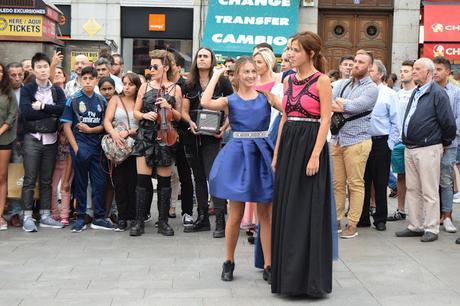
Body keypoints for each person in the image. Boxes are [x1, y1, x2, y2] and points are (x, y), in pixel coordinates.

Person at [200, 57, 277, 283]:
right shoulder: (230, 100)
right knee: (235, 214)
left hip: (262, 152)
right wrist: (217, 74)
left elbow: (290, 109)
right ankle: (229, 261)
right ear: (237, 75)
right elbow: (205, 102)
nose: (251, 75)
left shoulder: (266, 97)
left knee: (265, 215)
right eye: (246, 71)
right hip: (238, 154)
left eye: (254, 71)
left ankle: (269, 265)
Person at [270, 31, 333, 297]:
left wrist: (316, 154)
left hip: (310, 144)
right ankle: (288, 280)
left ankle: (309, 281)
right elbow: (285, 117)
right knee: (287, 209)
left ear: (310, 53)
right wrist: (276, 153)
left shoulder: (323, 81)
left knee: (308, 210)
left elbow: (326, 120)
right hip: (289, 145)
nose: (289, 54)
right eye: (289, 49)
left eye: (295, 49)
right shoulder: (289, 81)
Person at [396, 58, 456, 243]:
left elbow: (448, 123)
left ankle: (431, 228)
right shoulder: (417, 91)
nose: (413, 71)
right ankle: (415, 225)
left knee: (429, 190)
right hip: (411, 147)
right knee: (413, 188)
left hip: (428, 147)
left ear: (428, 73)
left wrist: (443, 142)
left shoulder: (438, 93)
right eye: (413, 68)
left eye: (417, 69)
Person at [181, 48, 233, 238]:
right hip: (193, 135)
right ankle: (202, 218)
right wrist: (190, 122)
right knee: (199, 178)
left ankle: (220, 219)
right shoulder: (188, 83)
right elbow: (184, 110)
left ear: (212, 61)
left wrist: (225, 126)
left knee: (214, 176)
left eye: (206, 56)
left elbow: (231, 107)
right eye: (199, 56)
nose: (202, 59)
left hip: (214, 136)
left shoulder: (223, 82)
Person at [130, 49, 182, 237]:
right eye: (150, 66)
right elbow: (135, 112)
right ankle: (138, 221)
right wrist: (144, 114)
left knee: (164, 182)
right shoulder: (144, 87)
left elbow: (179, 116)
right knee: (142, 181)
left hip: (165, 136)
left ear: (165, 67)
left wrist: (169, 107)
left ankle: (163, 222)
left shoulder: (175, 88)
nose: (151, 69)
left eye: (155, 66)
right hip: (145, 135)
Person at [331, 50, 378, 239]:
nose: (355, 65)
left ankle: (353, 224)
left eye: (360, 62)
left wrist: (342, 103)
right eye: (354, 61)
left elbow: (355, 107)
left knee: (356, 184)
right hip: (337, 140)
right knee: (337, 184)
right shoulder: (342, 84)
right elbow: (328, 103)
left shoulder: (371, 88)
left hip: (358, 141)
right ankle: (336, 220)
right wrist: (342, 103)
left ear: (369, 67)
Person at [60, 66, 113, 233]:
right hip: (80, 146)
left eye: (91, 79)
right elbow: (66, 126)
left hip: (97, 147)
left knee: (99, 182)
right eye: (85, 79)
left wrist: (91, 130)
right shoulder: (73, 99)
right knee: (81, 183)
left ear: (96, 80)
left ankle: (99, 217)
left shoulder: (101, 100)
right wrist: (75, 148)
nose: (88, 82)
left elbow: (104, 125)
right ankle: (81, 217)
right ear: (80, 80)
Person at [20, 52, 66, 232]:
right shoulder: (27, 89)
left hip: (51, 140)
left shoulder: (57, 90)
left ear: (50, 68)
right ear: (33, 69)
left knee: (47, 180)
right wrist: (50, 112)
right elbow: (27, 113)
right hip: (33, 139)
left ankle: (46, 215)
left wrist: (42, 106)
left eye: (45, 66)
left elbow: (62, 110)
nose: (42, 70)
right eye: (38, 67)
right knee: (30, 179)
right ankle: (27, 216)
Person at [359, 59, 399, 231]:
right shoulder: (361, 91)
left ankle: (380, 218)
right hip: (361, 140)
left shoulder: (389, 94)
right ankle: (362, 217)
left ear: (380, 74)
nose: (368, 72)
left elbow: (396, 122)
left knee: (381, 182)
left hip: (381, 142)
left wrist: (389, 144)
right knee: (362, 181)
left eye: (372, 70)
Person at [104, 73, 141, 232]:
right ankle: (122, 216)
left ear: (137, 86)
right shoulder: (115, 99)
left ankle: (133, 217)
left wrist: (130, 131)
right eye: (124, 84)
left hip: (134, 146)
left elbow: (144, 124)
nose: (126, 87)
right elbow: (107, 120)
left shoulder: (141, 101)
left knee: (134, 182)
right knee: (119, 183)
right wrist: (114, 134)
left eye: (130, 84)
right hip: (118, 146)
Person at [433, 56, 460, 233]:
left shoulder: (456, 93)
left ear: (448, 72)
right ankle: (433, 217)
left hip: (449, 143)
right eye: (433, 69)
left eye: (439, 69)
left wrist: (446, 140)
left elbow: (458, 119)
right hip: (429, 143)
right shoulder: (428, 90)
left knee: (445, 179)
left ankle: (447, 216)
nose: (435, 72)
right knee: (429, 181)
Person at [168, 51, 194, 226]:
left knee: (185, 175)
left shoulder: (186, 85)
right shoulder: (161, 84)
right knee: (164, 175)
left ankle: (187, 212)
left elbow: (187, 113)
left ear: (178, 67)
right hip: (164, 134)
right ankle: (164, 211)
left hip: (183, 134)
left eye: (169, 63)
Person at [388, 60, 416, 222]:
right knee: (401, 177)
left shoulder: (418, 93)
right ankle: (401, 210)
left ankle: (417, 213)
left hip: (414, 141)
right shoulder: (396, 94)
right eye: (401, 70)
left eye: (406, 70)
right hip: (398, 142)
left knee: (416, 178)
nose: (402, 73)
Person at [4, 62, 24, 227]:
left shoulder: (27, 92)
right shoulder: (4, 93)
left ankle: (15, 212)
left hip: (19, 140)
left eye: (20, 74)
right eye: (13, 75)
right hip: (4, 139)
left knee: (16, 176)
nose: (17, 78)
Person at [0, 63, 18, 230]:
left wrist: (1, 130)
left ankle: (0, 217)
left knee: (2, 176)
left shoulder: (8, 92)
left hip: (4, 139)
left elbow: (13, 115)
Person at [50, 127, 72, 226]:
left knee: (65, 188)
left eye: (67, 137)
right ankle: (54, 213)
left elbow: (69, 160)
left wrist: (66, 179)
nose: (65, 139)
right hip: (56, 166)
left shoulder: (70, 145)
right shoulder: (54, 143)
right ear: (58, 134)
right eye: (63, 136)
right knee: (53, 188)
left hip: (67, 166)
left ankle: (64, 215)